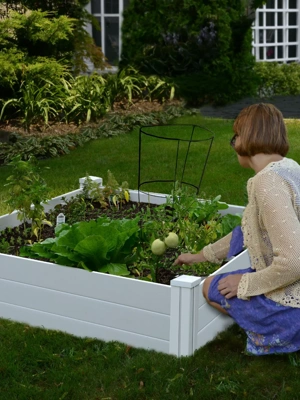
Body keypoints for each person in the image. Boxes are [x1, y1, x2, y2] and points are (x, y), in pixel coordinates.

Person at [174, 103, 300, 355]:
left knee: (211, 288)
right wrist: (200, 256)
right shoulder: (289, 168)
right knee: (220, 283)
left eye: (236, 136)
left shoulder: (267, 183)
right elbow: (246, 230)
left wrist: (246, 282)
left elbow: (293, 262)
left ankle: (281, 333)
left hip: (293, 296)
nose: (235, 144)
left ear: (249, 138)